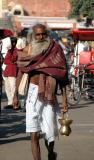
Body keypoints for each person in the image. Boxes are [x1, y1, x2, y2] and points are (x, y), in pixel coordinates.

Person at [13, 23, 68, 160]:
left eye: (43, 34)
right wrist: (14, 95)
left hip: (50, 95)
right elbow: (20, 72)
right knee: (34, 132)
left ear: (47, 34)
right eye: (38, 34)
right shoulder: (28, 50)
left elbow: (61, 75)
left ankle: (50, 153)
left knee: (49, 132)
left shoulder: (55, 49)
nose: (41, 36)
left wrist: (65, 100)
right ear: (33, 35)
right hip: (32, 94)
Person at [3, 37, 18, 109]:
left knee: (13, 88)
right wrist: (11, 62)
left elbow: (13, 59)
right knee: (7, 88)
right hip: (7, 71)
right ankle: (10, 103)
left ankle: (15, 103)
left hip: (12, 71)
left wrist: (10, 61)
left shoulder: (16, 51)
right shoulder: (9, 50)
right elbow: (5, 61)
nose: (13, 43)